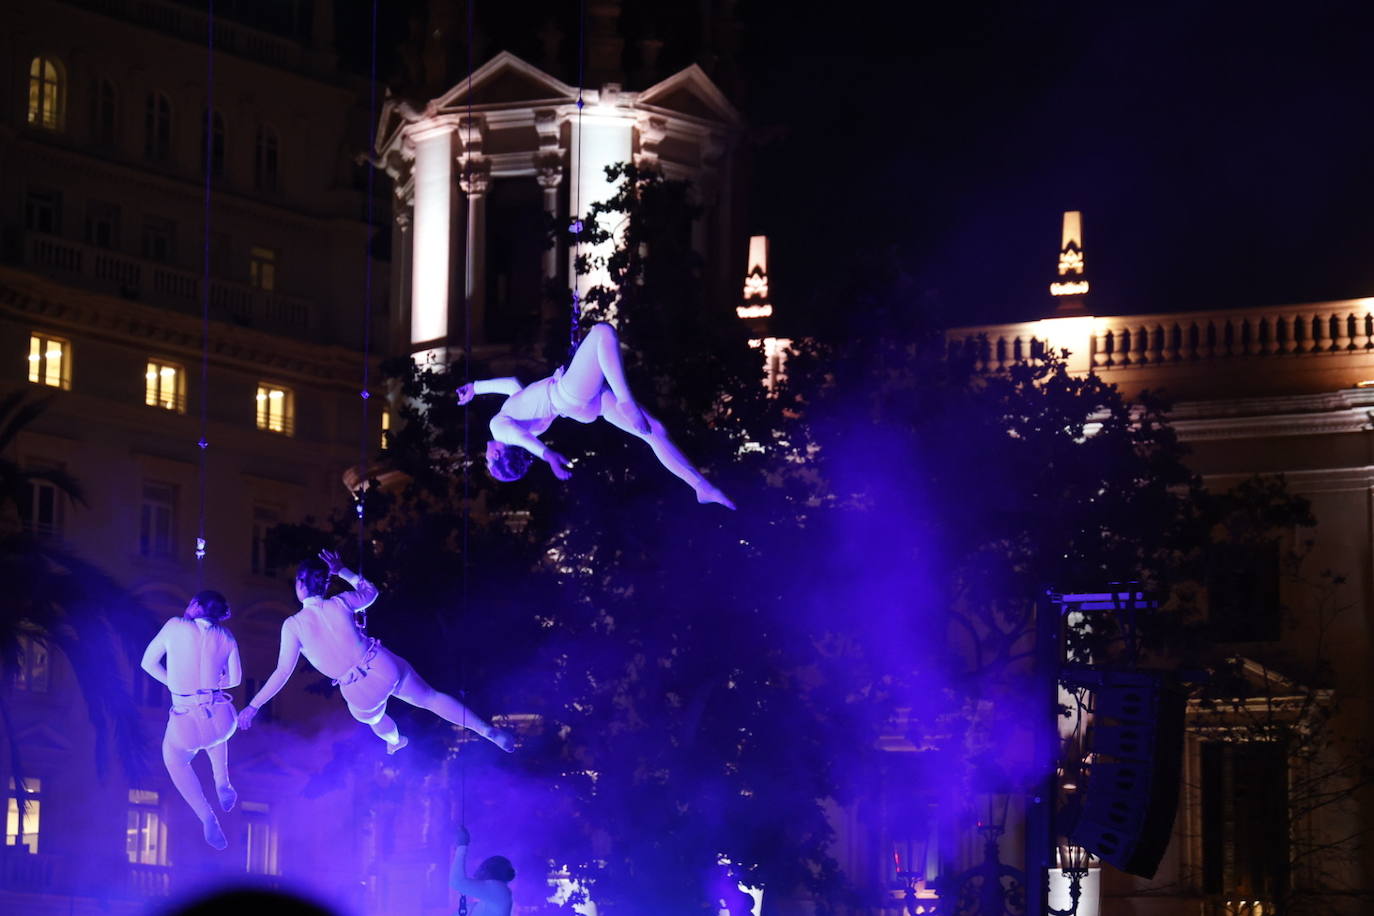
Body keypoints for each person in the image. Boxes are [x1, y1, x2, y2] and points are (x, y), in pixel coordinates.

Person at [237, 549, 514, 756]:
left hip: (356, 688)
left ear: (299, 583)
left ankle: (395, 742)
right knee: (430, 697)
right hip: (380, 663)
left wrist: (253, 705)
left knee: (379, 721)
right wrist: (343, 570)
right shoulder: (341, 602)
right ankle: (488, 732)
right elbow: (371, 591)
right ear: (323, 584)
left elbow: (283, 672)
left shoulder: (293, 625)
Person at [457, 321, 735, 509]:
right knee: (602, 332)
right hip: (567, 395)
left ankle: (701, 487)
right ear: (497, 456)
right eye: (488, 460)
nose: (485, 453)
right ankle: (626, 400)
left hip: (579, 408)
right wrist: (549, 456)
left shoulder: (515, 419)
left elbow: (514, 387)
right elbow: (523, 439)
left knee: (655, 431)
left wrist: (476, 388)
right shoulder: (500, 430)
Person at [140, 591, 241, 850]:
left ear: (196, 606)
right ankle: (223, 783)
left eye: (190, 603)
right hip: (221, 718)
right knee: (214, 735)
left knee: (174, 760)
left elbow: (147, 663)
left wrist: (176, 685)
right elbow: (235, 679)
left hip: (186, 717)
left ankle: (208, 817)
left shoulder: (175, 625)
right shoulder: (227, 636)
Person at [449, 825, 513, 916]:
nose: (475, 874)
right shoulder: (491, 900)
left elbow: (457, 882)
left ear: (488, 871)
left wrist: (462, 847)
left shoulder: (499, 890)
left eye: (480, 868)